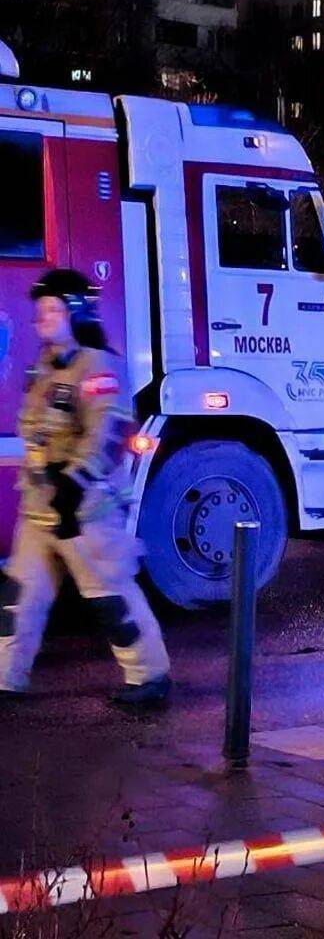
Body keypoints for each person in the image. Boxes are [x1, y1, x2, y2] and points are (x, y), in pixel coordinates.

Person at [0, 269, 171, 704]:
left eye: (53, 309)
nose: (41, 318)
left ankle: (150, 679)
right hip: (40, 510)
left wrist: (72, 485)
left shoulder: (98, 367)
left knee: (110, 597)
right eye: (40, 310)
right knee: (19, 600)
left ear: (76, 314)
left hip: (85, 513)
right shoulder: (44, 367)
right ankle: (6, 679)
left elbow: (107, 434)